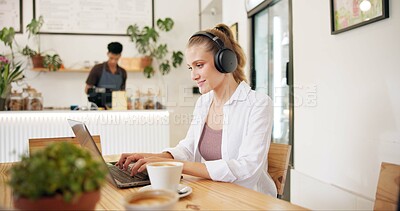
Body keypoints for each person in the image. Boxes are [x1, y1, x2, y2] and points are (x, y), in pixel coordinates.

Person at [116, 24, 277, 196]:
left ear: (224, 62)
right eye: (190, 68)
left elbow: (247, 168)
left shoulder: (258, 104)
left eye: (199, 65)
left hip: (249, 199)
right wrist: (152, 158)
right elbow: (188, 149)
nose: (193, 76)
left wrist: (175, 166)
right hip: (214, 194)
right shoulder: (204, 102)